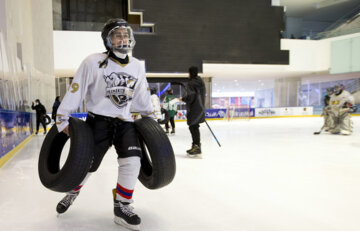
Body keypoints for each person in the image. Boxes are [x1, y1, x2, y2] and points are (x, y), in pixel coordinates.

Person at [55, 18, 155, 230]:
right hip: (98, 121)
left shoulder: (137, 65)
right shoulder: (93, 61)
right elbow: (76, 90)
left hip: (125, 122)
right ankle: (72, 191)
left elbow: (142, 94)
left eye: (125, 34)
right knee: (87, 165)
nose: (123, 38)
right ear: (107, 40)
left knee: (133, 162)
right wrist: (62, 118)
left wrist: (151, 121)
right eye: (117, 35)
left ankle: (122, 206)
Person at [180, 66, 206, 157]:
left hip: (194, 108)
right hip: (200, 108)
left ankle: (196, 147)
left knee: (193, 127)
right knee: (195, 127)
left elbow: (191, 97)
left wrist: (182, 98)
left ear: (190, 73)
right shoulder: (200, 82)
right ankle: (196, 145)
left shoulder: (191, 83)